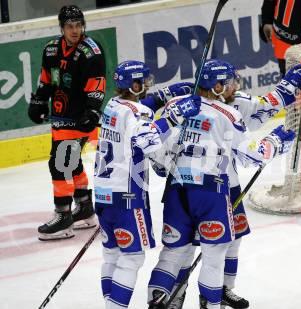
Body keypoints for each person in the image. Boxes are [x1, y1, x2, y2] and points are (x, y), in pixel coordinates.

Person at [147, 59, 299, 309]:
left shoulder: (176, 105)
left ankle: (158, 302)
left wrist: (163, 164)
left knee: (172, 253)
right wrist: (275, 142)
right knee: (214, 256)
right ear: (217, 86)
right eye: (229, 83)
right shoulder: (228, 114)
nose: (234, 87)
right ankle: (209, 304)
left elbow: (155, 146)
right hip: (211, 192)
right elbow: (251, 155)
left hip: (177, 191)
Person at [94, 60, 201, 309]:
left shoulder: (112, 105)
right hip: (127, 196)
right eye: (144, 80)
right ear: (134, 84)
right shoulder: (138, 113)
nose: (148, 84)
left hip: (103, 192)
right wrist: (174, 116)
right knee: (132, 258)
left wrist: (162, 98)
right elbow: (146, 139)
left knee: (111, 253)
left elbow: (135, 113)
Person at [27, 5, 106, 240]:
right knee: (69, 162)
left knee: (60, 163)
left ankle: (63, 217)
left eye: (78, 25)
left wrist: (92, 111)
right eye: (70, 26)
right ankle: (84, 208)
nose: (75, 31)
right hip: (60, 117)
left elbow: (97, 83)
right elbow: (47, 78)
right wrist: (39, 100)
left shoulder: (91, 51)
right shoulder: (51, 49)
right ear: (62, 28)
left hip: (79, 118)